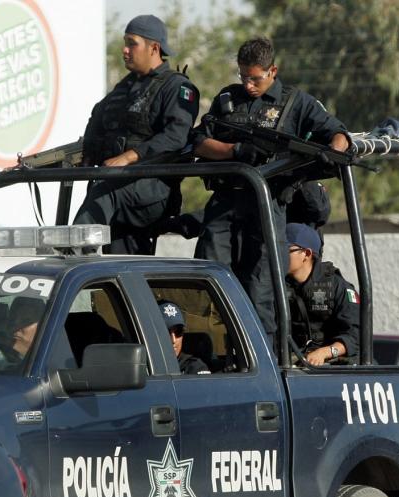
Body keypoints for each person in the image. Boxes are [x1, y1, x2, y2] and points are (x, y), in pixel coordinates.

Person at [189, 36, 350, 340]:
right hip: (225, 203)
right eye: (243, 76)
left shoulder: (295, 102)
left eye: (255, 78)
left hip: (266, 204)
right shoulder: (228, 98)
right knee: (209, 278)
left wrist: (334, 151)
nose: (248, 85)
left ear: (273, 70)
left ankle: (265, 364)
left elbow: (337, 133)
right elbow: (198, 141)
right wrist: (235, 151)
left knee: (260, 286)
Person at [74, 14, 199, 255]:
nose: (125, 50)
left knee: (104, 191)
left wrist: (130, 156)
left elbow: (176, 136)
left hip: (153, 189)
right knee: (123, 264)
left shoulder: (176, 87)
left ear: (154, 47)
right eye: (125, 42)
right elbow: (96, 122)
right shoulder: (123, 88)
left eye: (132, 43)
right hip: (119, 186)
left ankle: (72, 254)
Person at [285, 222, 360, 366]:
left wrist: (325, 352)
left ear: (306, 254)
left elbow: (355, 337)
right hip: (296, 363)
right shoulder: (278, 285)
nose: (279, 255)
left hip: (335, 368)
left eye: (285, 250)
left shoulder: (337, 287)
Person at [158, 300, 209, 374]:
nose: (173, 340)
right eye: (166, 332)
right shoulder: (142, 364)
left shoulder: (194, 367)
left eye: (178, 332)